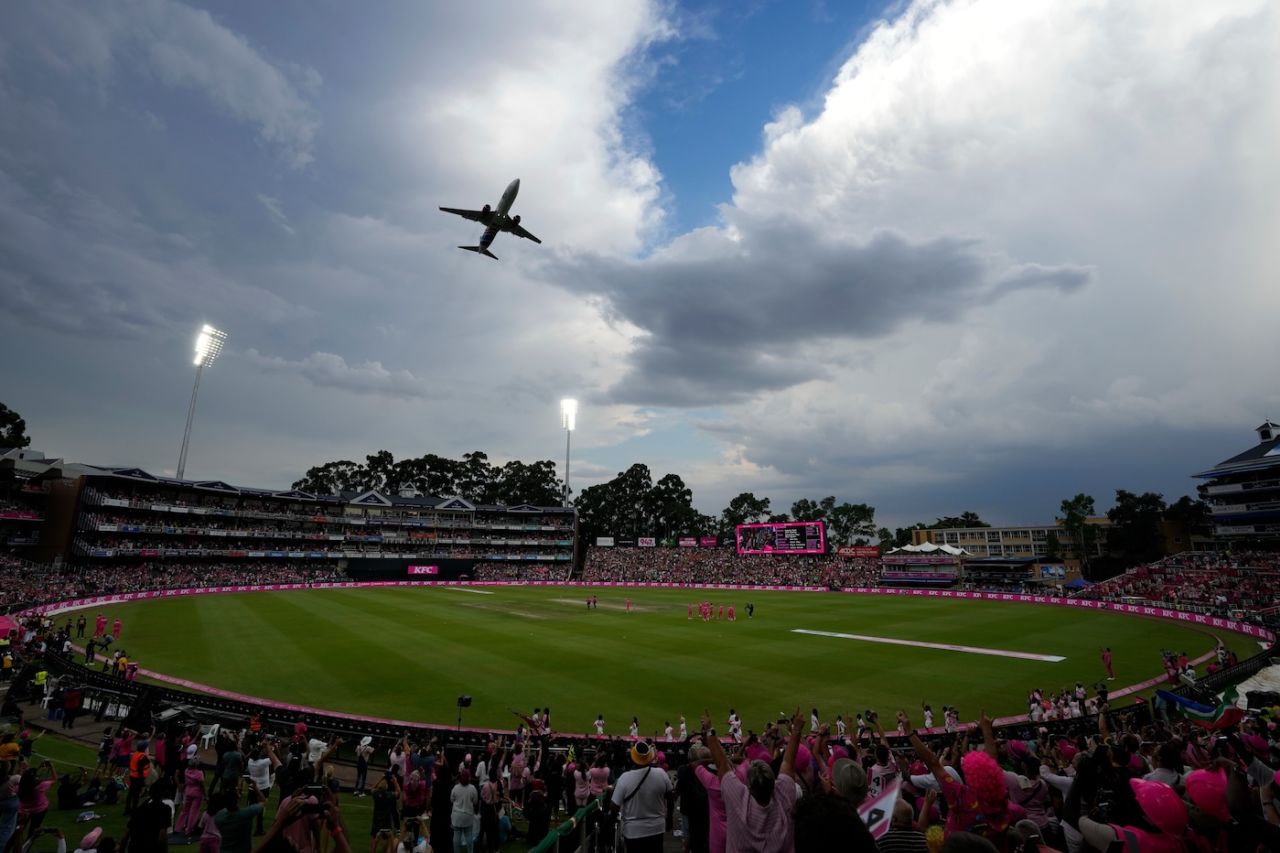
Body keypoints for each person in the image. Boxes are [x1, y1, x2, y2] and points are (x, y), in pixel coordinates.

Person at [703, 707, 800, 853]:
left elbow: (722, 763)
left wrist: (709, 729)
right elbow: (788, 761)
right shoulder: (784, 794)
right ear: (774, 782)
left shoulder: (737, 798)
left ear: (748, 784)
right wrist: (796, 730)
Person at [610, 741, 671, 853]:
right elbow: (670, 797)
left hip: (634, 831)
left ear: (632, 758)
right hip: (657, 828)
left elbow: (614, 806)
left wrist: (611, 823)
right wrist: (669, 819)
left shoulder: (624, 778)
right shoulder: (661, 773)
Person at [449, 768, 480, 853]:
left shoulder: (455, 788)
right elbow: (475, 801)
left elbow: (451, 800)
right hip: (468, 815)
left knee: (456, 835)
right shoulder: (472, 788)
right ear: (469, 778)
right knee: (469, 835)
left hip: (456, 817)